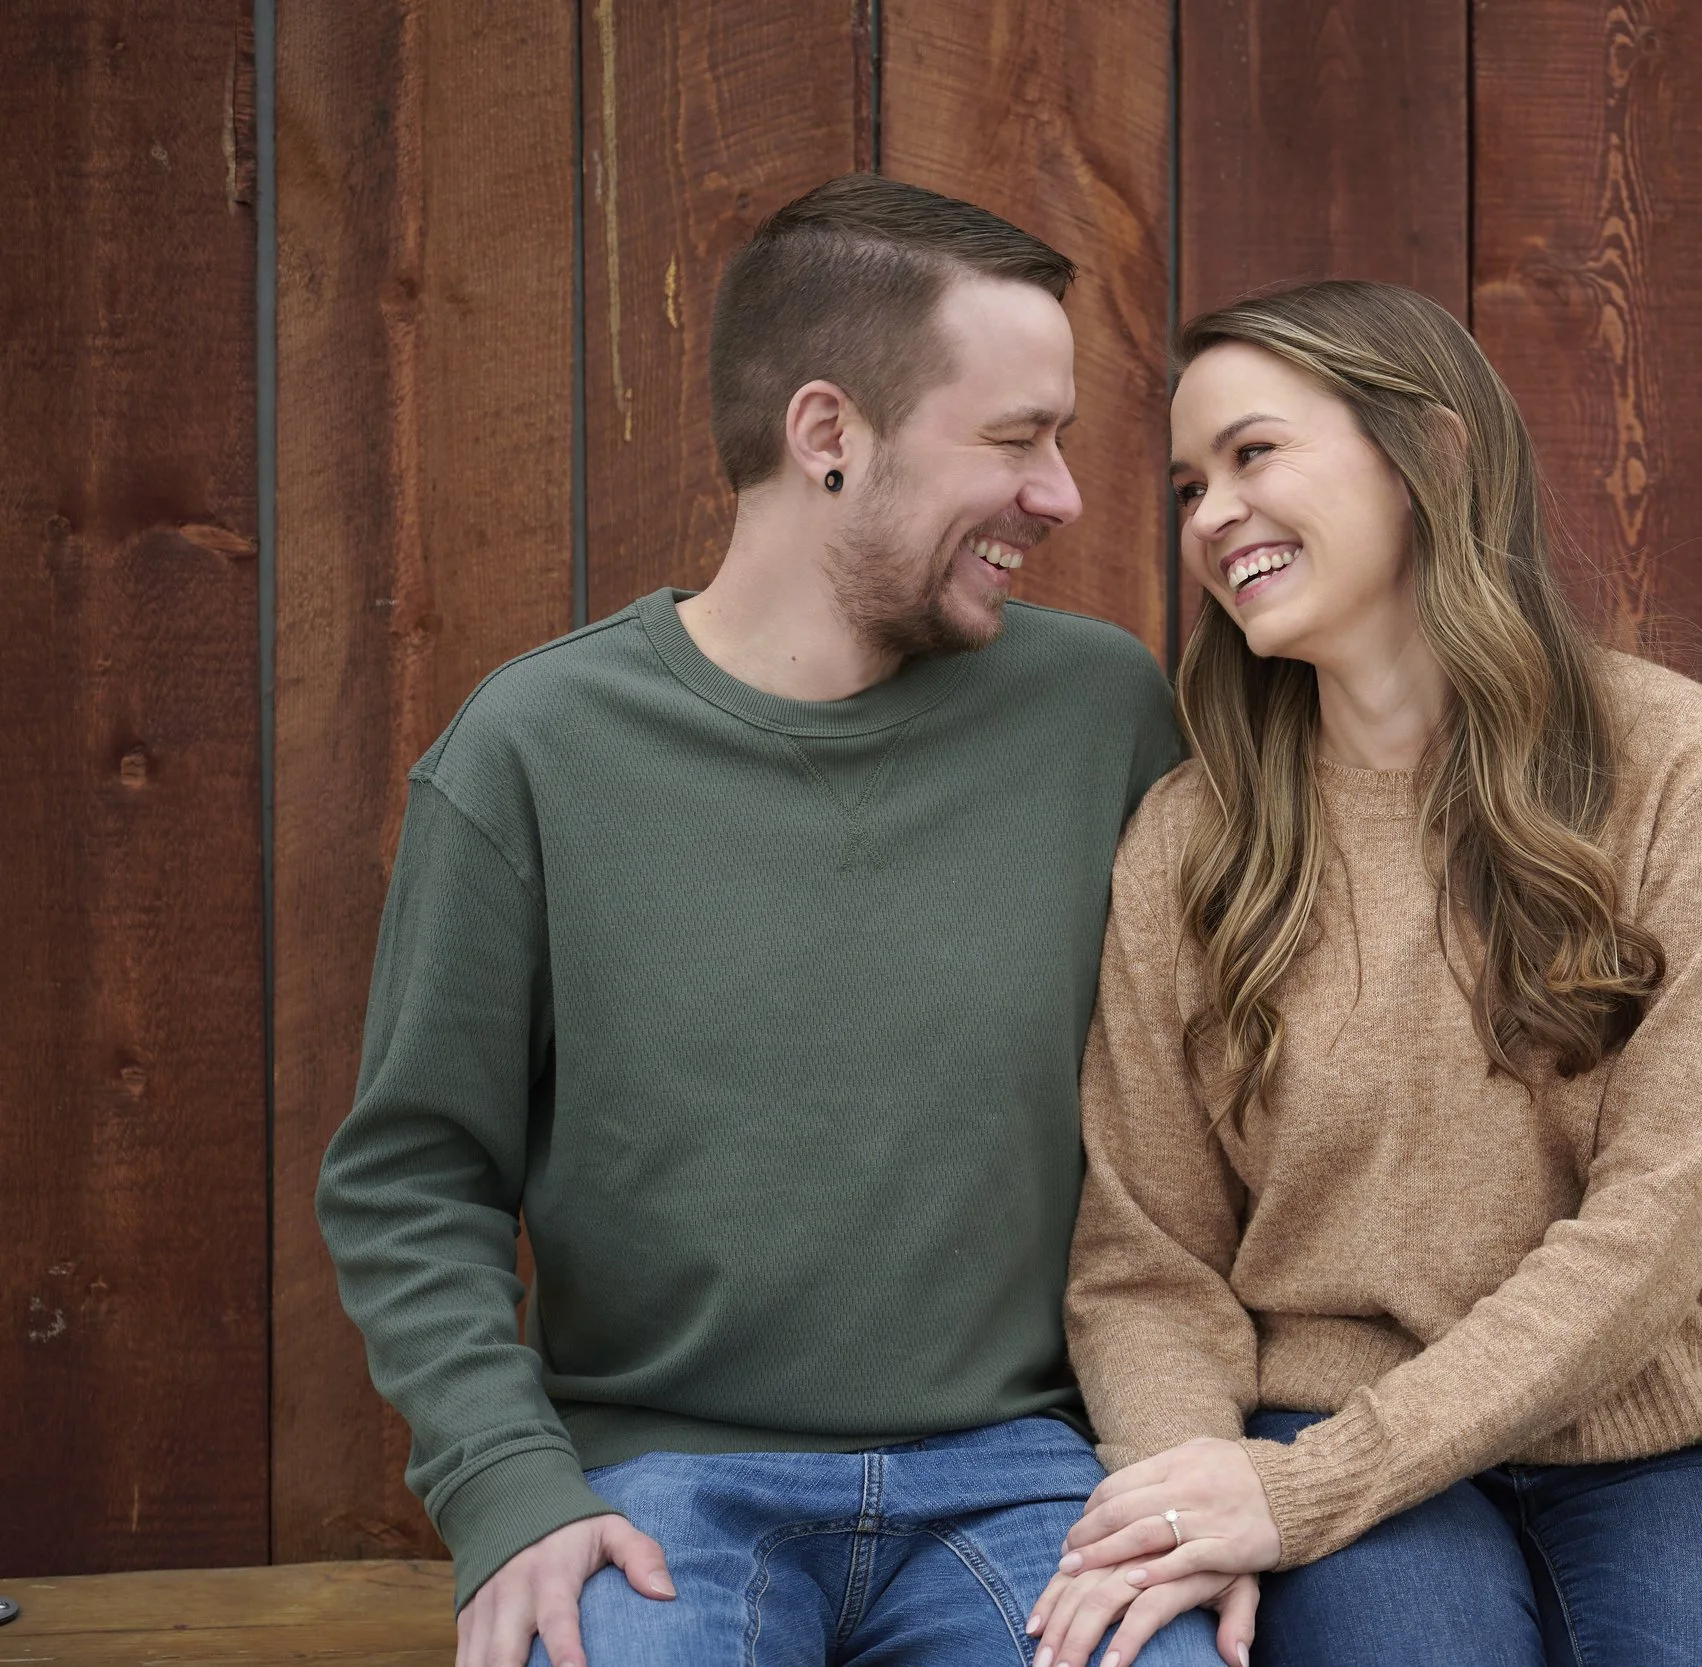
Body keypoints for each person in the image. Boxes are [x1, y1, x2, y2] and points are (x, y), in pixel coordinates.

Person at [316, 174, 1248, 1667]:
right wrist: (508, 1482)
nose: (1063, 494)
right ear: (828, 436)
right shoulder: (538, 748)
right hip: (663, 1491)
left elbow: (1211, 1110)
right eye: (1016, 439)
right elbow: (414, 1172)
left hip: (1024, 1480)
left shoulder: (1102, 712)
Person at [1023, 280, 1702, 1667]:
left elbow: (1649, 1230)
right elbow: (1146, 1262)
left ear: (1438, 458)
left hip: (1653, 1434)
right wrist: (1197, 1498)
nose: (1212, 516)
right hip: (1317, 1416)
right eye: (1187, 487)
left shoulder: (1686, 772)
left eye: (1254, 454)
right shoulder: (1191, 843)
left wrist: (1303, 1495)